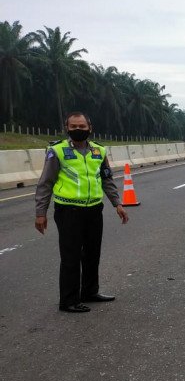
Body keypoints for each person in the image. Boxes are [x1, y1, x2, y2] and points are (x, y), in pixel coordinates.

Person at [34, 112, 129, 313]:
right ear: (66, 128)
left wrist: (117, 203)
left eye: (82, 126)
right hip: (68, 210)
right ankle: (68, 300)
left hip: (94, 209)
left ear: (90, 128)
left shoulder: (99, 151)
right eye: (74, 127)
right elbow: (45, 183)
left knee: (92, 253)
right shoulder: (57, 150)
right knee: (71, 256)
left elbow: (106, 179)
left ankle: (90, 292)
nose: (78, 130)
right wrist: (40, 213)